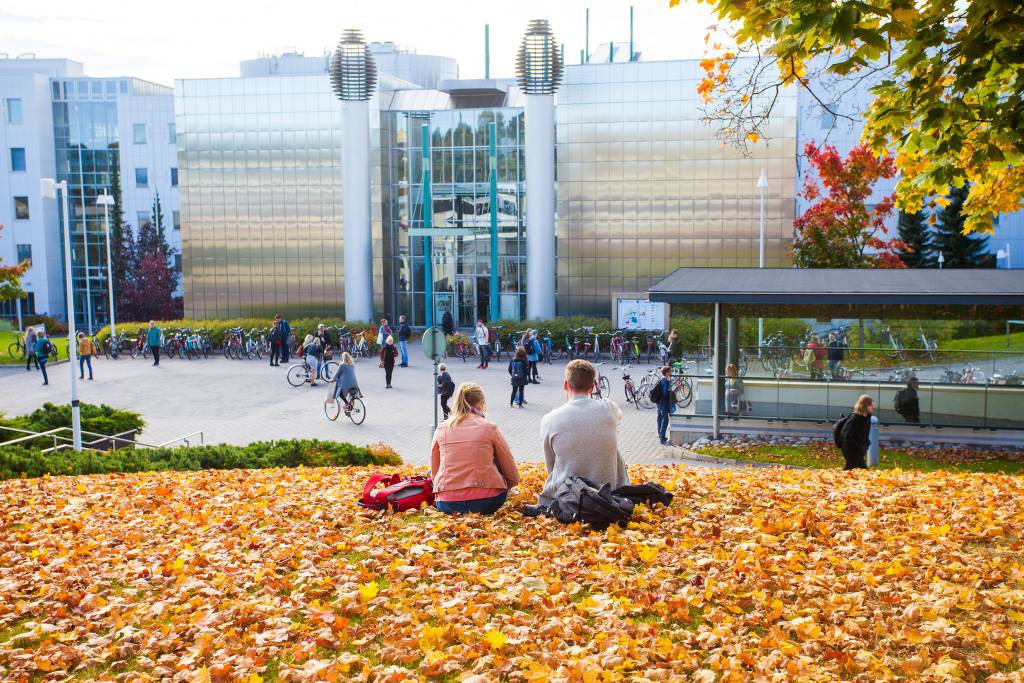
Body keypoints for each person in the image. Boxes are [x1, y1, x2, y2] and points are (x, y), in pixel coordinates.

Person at [533, 360, 629, 508]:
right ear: (592, 387)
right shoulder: (609, 408)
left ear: (566, 385)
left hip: (568, 497)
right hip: (609, 495)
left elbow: (550, 464)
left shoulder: (550, 419)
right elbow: (619, 417)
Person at [430, 382, 520, 515]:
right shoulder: (489, 427)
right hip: (486, 500)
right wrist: (510, 485)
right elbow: (509, 467)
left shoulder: (442, 428)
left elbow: (435, 467)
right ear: (481, 402)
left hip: (447, 502)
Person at [839, 395, 873, 470]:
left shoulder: (866, 418)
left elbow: (864, 435)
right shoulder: (855, 418)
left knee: (848, 472)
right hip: (851, 450)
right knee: (864, 472)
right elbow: (846, 436)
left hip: (857, 450)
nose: (873, 407)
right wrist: (859, 446)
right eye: (870, 405)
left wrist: (866, 444)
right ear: (865, 406)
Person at [655, 366, 674, 445]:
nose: (671, 373)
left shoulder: (661, 380)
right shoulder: (666, 382)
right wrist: (671, 391)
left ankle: (660, 435)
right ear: (666, 373)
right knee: (665, 420)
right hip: (664, 403)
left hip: (659, 403)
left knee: (660, 419)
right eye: (670, 371)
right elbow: (665, 393)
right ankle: (662, 438)